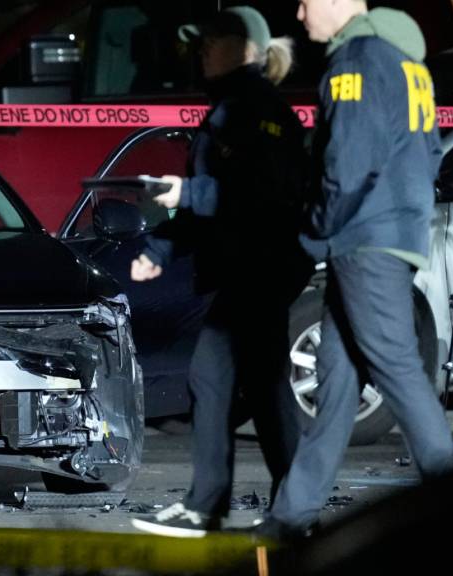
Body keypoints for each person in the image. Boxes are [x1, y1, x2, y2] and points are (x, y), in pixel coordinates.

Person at [259, 0, 453, 540]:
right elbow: (430, 151)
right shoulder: (406, 62)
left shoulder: (356, 62)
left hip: (364, 239)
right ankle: (291, 515)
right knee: (337, 381)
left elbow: (346, 164)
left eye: (306, 3)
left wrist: (314, 230)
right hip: (391, 232)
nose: (300, 16)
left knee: (396, 369)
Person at [129, 6, 310, 537]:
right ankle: (286, 509)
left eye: (213, 40)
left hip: (263, 265)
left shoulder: (256, 110)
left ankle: (210, 505)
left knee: (217, 376)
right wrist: (160, 249)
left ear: (247, 49)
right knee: (262, 385)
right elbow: (209, 208)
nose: (202, 49)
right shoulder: (230, 108)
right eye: (201, 40)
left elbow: (260, 196)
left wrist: (188, 192)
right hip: (246, 268)